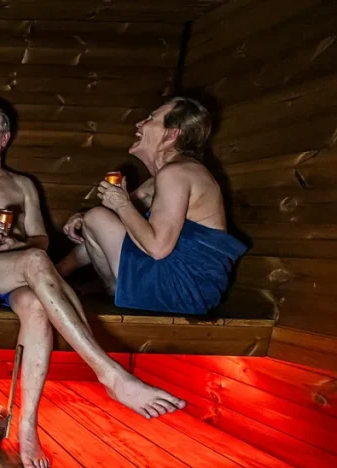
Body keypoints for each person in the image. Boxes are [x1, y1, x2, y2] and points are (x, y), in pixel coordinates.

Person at [0, 100, 188, 468]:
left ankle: (27, 426)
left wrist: (16, 244)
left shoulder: (22, 186)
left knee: (36, 305)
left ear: (4, 138)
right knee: (36, 263)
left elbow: (40, 241)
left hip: (17, 268)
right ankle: (109, 373)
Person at [57, 97, 247, 315]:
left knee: (97, 217)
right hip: (184, 288)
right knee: (96, 218)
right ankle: (68, 276)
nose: (140, 123)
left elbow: (157, 247)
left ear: (171, 134)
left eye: (150, 118)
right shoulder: (162, 179)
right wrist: (82, 218)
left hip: (184, 290)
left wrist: (120, 205)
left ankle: (111, 290)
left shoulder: (176, 174)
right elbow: (108, 226)